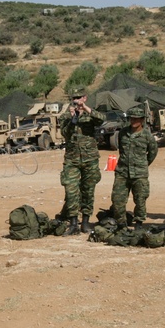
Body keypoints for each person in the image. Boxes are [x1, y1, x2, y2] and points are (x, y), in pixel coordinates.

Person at [58, 93, 105, 234]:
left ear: (84, 98)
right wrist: (73, 118)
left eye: (79, 97)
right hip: (72, 160)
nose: (76, 100)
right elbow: (65, 133)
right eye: (73, 98)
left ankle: (85, 222)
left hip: (90, 159)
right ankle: (73, 223)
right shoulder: (66, 116)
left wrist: (85, 108)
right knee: (71, 191)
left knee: (88, 190)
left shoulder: (91, 114)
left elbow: (102, 120)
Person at [110, 106, 158, 228]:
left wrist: (143, 164)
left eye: (137, 119)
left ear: (142, 120)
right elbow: (122, 150)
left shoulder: (147, 136)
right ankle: (121, 223)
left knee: (140, 200)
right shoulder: (123, 133)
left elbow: (152, 152)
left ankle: (139, 224)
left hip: (139, 173)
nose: (134, 121)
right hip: (122, 172)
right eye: (132, 119)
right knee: (117, 199)